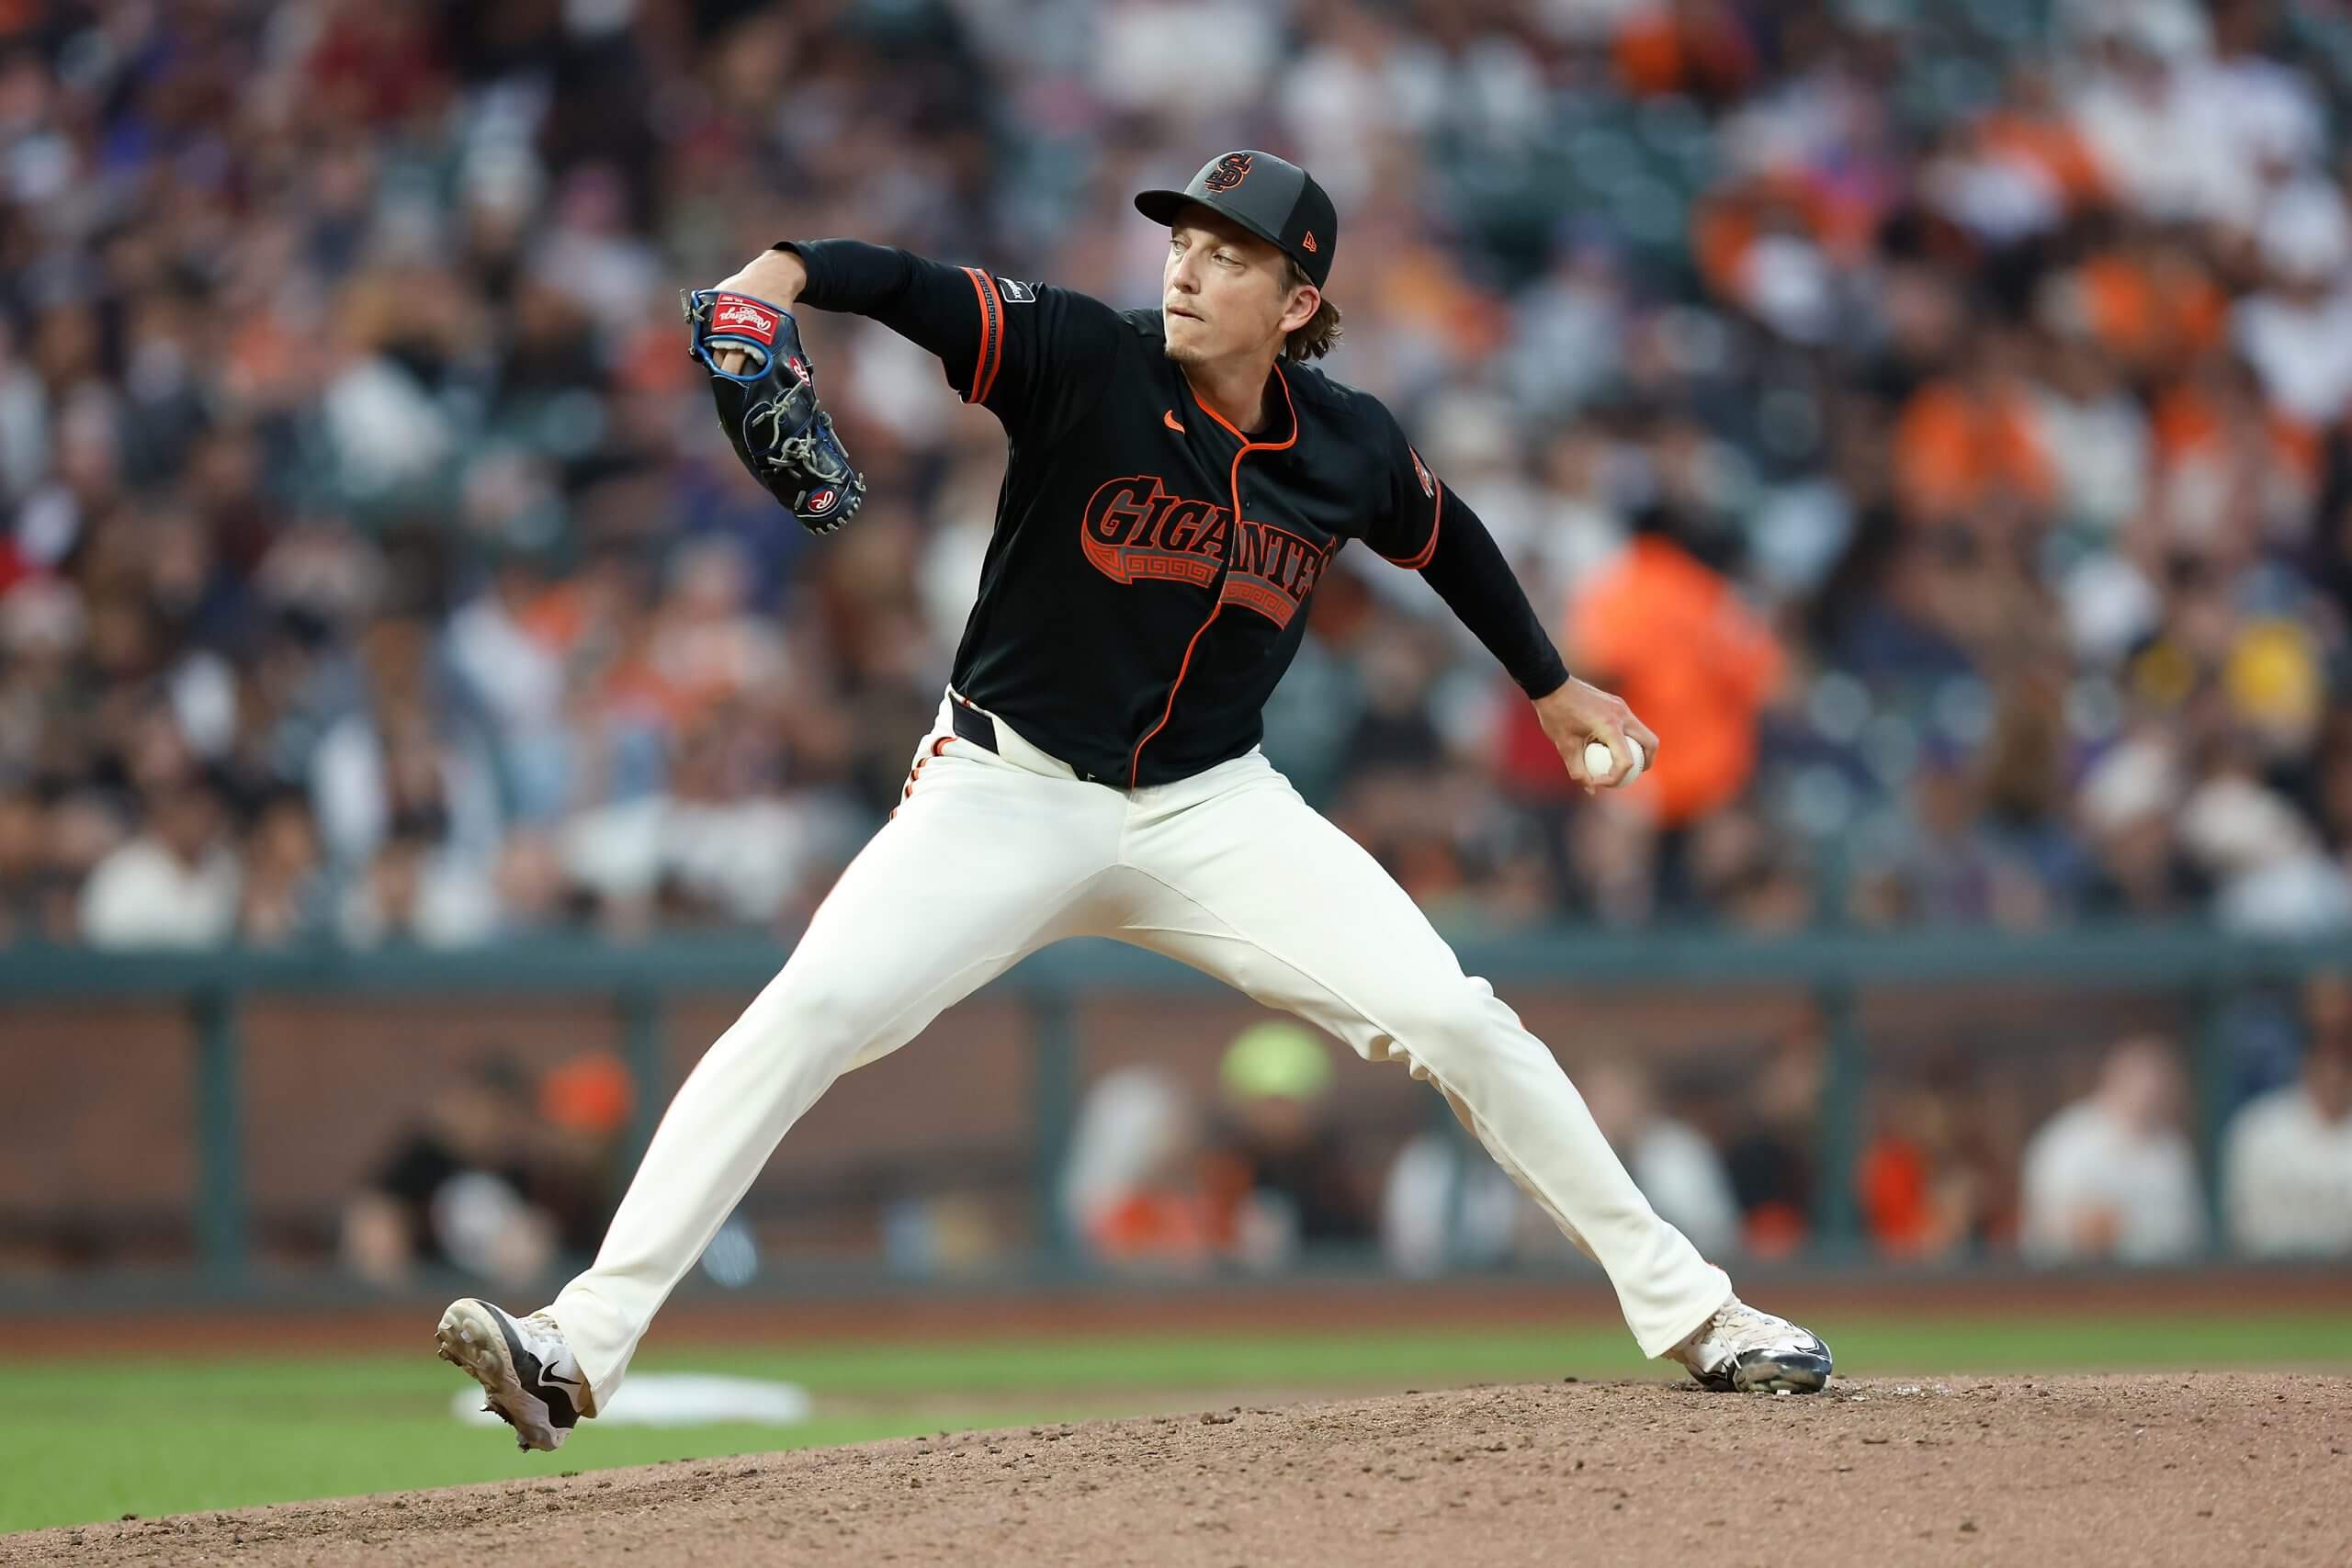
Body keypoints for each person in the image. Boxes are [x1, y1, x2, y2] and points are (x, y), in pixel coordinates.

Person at [435, 149, 1832, 1452]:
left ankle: (1700, 1312)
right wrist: (777, 275)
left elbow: (1441, 529)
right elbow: (909, 285)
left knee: (1457, 1015)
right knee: (804, 1016)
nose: (1186, 270)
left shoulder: (1340, 440)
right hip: (1005, 784)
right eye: (1183, 243)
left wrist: (1548, 681)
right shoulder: (1080, 355)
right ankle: (575, 1344)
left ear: (1297, 301)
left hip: (1214, 807)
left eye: (1230, 256)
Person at [2018, 1035, 2206, 1264]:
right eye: (2140, 1079)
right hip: (2079, 1287)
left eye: (2160, 1082)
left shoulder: (2172, 1148)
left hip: (2163, 1286)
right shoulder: (2069, 1141)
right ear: (2113, 1079)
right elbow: (2052, 1228)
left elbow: (2191, 1231)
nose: (2151, 1091)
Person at [2221, 974, 2352, 1258]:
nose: (2334, 1069)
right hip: (2270, 1286)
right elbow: (2239, 1234)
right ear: (2305, 1057)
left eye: (2343, 1052)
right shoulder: (2258, 1128)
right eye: (2321, 1048)